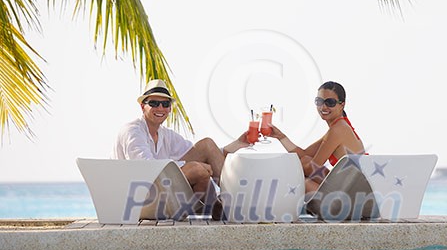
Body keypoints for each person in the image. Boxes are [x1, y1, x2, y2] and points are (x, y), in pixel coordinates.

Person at [112, 79, 248, 215]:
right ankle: (217, 207)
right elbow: (147, 169)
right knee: (197, 170)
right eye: (154, 103)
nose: (160, 108)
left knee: (207, 145)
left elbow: (213, 153)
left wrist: (241, 142)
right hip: (139, 196)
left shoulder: (166, 134)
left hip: (160, 190)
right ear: (143, 106)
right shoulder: (132, 131)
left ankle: (230, 202)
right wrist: (194, 166)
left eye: (165, 104)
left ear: (170, 108)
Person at [269, 81, 365, 195]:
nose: (323, 107)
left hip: (355, 193)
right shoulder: (338, 127)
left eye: (330, 102)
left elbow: (312, 168)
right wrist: (281, 136)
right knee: (303, 164)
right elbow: (304, 154)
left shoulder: (339, 129)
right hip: (348, 187)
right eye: (319, 101)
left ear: (342, 105)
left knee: (301, 181)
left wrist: (282, 171)